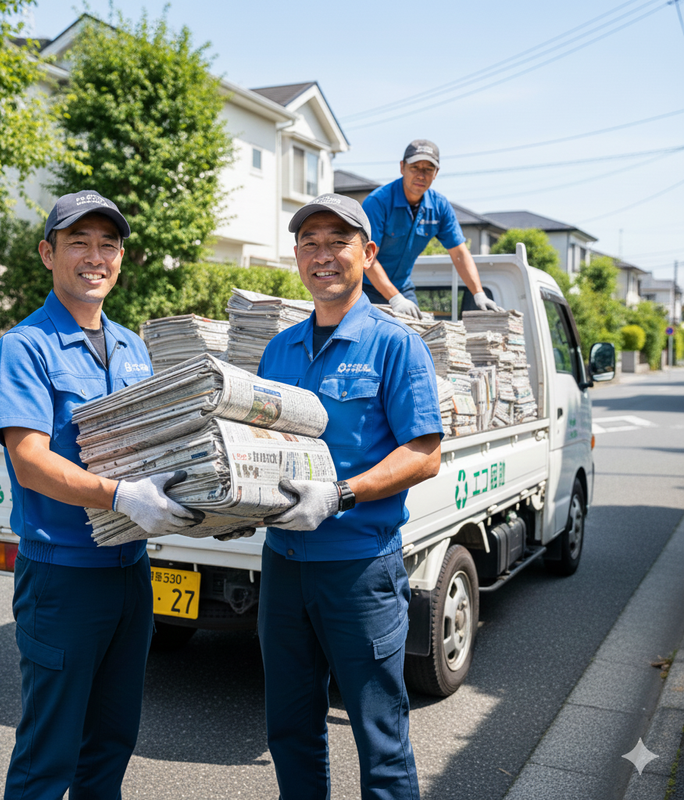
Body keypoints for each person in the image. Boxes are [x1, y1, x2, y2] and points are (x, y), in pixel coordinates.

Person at [0, 190, 199, 799]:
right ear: (47, 254)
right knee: (47, 754)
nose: (95, 256)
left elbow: (161, 447)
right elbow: (29, 461)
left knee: (110, 742)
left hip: (131, 573)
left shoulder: (134, 347)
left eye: (108, 244)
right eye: (78, 241)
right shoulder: (24, 347)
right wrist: (119, 495)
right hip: (62, 579)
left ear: (122, 260)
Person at [255, 193, 443, 799]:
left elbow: (424, 453)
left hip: (359, 569)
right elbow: (258, 447)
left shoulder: (395, 345)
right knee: (290, 728)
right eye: (309, 242)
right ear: (296, 257)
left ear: (368, 252)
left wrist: (340, 494)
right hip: (283, 566)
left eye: (338, 241)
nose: (323, 255)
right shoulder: (278, 350)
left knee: (379, 737)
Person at [362, 138, 503, 319]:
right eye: (415, 167)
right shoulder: (378, 202)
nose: (421, 175)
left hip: (402, 287)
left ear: (436, 173)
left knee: (419, 337)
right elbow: (368, 259)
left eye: (428, 169)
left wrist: (478, 294)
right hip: (365, 287)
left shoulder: (439, 207)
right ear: (402, 167)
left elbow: (459, 253)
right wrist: (395, 299)